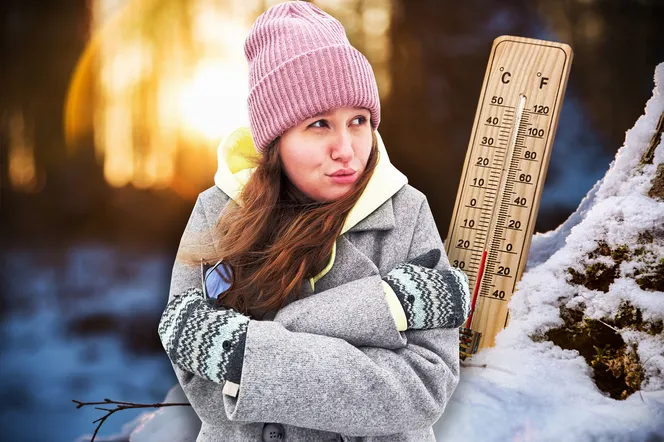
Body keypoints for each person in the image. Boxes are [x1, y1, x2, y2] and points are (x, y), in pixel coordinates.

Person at [157, 2, 471, 441]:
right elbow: (205, 392)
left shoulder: (406, 209)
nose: (346, 148)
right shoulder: (218, 210)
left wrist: (251, 351)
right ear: (276, 138)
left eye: (358, 121)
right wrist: (385, 305)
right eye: (319, 124)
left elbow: (423, 387)